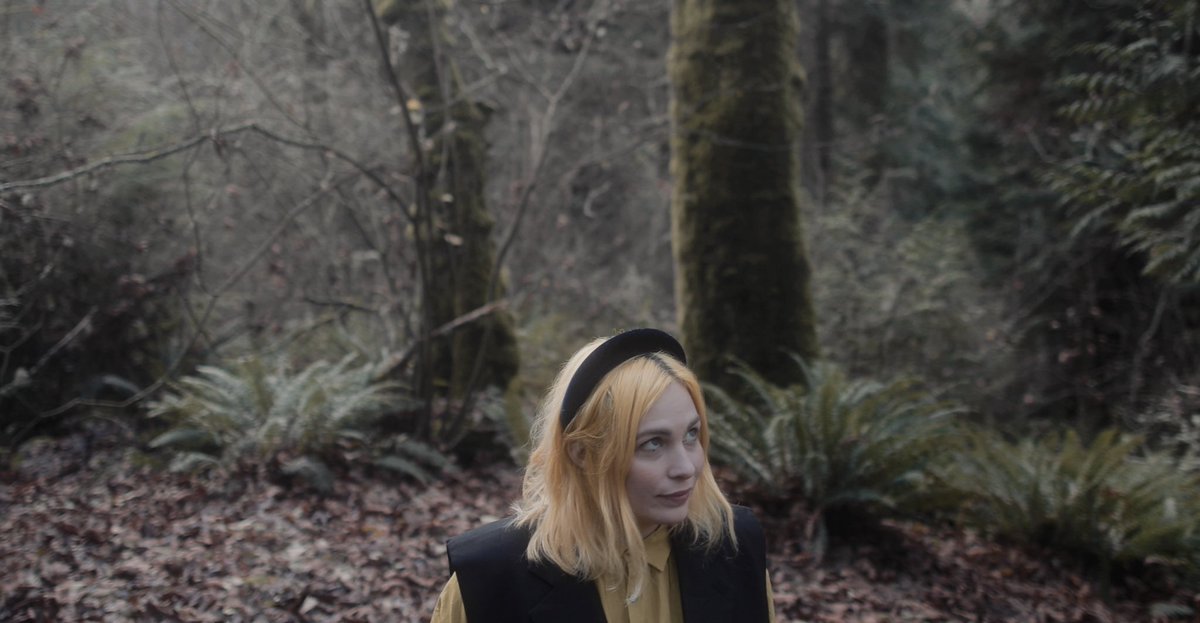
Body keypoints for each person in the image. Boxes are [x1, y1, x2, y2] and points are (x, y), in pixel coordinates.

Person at [430, 328, 777, 623]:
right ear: (582, 453)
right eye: (653, 444)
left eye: (691, 435)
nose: (686, 468)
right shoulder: (487, 583)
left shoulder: (737, 552)